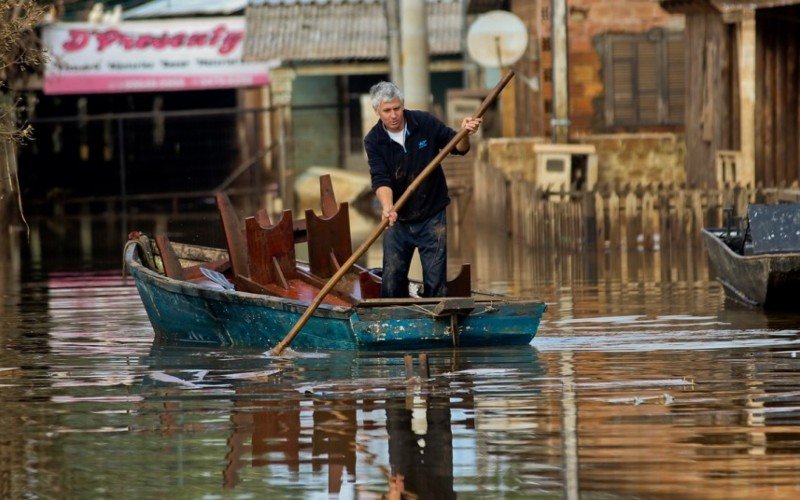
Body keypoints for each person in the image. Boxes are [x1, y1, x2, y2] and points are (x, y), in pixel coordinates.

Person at [364, 81, 481, 298]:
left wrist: (464, 133)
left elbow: (458, 147)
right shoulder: (374, 141)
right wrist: (388, 208)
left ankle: (436, 323)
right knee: (391, 283)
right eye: (387, 111)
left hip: (432, 216)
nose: (393, 115)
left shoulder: (424, 122)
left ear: (403, 105)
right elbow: (380, 179)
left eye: (397, 108)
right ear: (377, 111)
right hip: (397, 220)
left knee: (436, 284)